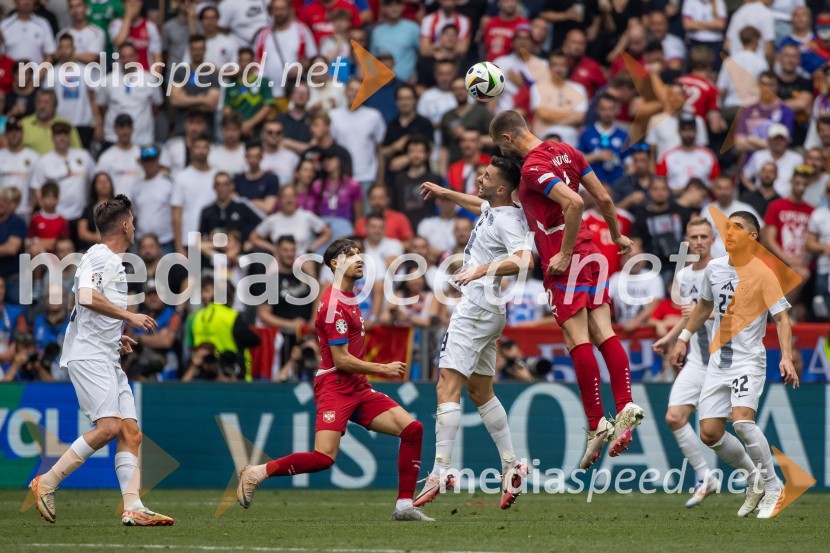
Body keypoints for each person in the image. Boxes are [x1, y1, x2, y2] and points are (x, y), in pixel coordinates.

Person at [237, 238, 433, 522]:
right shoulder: (332, 306)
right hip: (335, 387)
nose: (359, 258)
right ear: (334, 264)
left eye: (359, 253)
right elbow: (341, 360)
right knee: (323, 458)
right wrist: (383, 367)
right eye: (350, 255)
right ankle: (257, 472)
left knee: (412, 429)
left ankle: (404, 505)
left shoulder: (349, 297)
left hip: (358, 387)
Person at [489, 110, 641, 470]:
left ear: (508, 138)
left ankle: (596, 423)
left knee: (577, 341)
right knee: (604, 331)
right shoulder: (567, 151)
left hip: (565, 254)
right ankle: (624, 406)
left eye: (500, 145)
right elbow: (602, 199)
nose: (502, 152)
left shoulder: (531, 167)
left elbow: (574, 203)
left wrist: (563, 253)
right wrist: (616, 235)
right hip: (593, 250)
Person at [28, 194, 173, 526]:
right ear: (124, 224)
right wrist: (129, 317)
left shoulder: (107, 259)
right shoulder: (102, 256)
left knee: (130, 432)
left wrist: (113, 334)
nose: (135, 226)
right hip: (90, 357)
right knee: (108, 428)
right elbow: (84, 296)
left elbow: (76, 306)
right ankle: (46, 481)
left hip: (105, 353)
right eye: (133, 221)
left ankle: (133, 506)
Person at [415, 157, 532, 510]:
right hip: (490, 310)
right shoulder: (495, 206)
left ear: (501, 188)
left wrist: (480, 269)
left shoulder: (509, 219)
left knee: (446, 385)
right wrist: (444, 192)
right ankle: (512, 464)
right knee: (480, 390)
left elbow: (524, 259)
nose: (479, 178)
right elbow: (477, 203)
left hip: (476, 307)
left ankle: (442, 470)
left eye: (486, 176)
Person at [669, 211, 799, 519]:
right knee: (710, 433)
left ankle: (774, 486)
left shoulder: (764, 274)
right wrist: (683, 337)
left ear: (752, 238)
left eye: (738, 228)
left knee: (741, 421)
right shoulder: (714, 268)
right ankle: (754, 478)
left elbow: (781, 318)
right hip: (717, 362)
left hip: (747, 360)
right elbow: (704, 305)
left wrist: (786, 356)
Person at [652, 218, 719, 508]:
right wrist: (669, 338)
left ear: (713, 239)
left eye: (705, 236)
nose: (700, 241)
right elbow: (686, 316)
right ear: (687, 241)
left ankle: (764, 480)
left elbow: (736, 314)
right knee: (674, 417)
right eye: (695, 236)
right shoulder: (683, 277)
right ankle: (705, 476)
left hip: (724, 362)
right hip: (696, 360)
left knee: (732, 428)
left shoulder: (723, 270)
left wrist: (702, 314)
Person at [96, 114, 142, 197]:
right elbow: (100, 186)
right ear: (115, 129)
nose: (125, 131)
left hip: (139, 206)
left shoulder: (141, 153)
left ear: (132, 129)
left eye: (128, 127)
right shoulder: (106, 157)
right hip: (116, 207)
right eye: (122, 127)